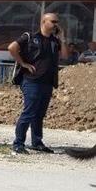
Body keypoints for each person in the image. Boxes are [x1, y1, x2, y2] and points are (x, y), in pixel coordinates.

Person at [8, 13, 69, 154]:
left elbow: (65, 56)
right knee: (29, 112)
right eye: (53, 21)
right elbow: (12, 48)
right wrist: (23, 63)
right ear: (43, 22)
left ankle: (37, 142)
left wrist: (63, 38)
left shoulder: (55, 41)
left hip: (48, 82)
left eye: (57, 22)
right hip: (31, 81)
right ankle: (18, 143)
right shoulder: (30, 37)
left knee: (39, 114)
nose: (56, 24)